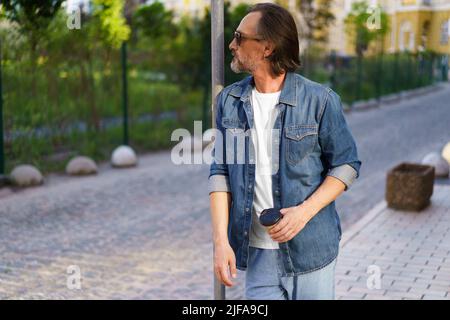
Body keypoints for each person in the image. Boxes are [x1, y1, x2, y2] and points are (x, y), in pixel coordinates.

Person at [208, 2, 361, 300]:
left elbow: (347, 165)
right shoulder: (229, 101)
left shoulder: (320, 100)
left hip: (311, 252)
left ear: (267, 47)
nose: (231, 44)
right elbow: (220, 173)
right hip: (257, 255)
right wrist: (220, 242)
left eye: (240, 37)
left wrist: (303, 213)